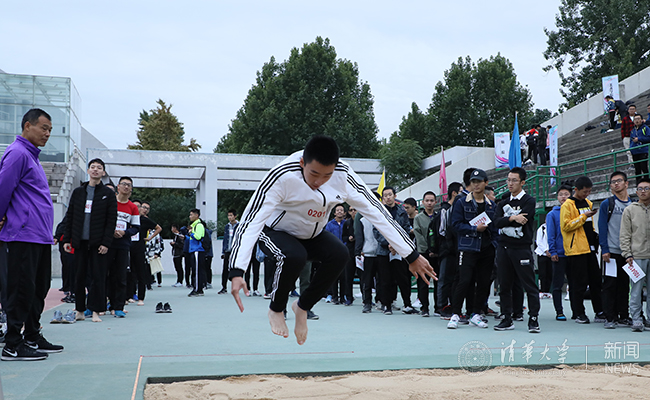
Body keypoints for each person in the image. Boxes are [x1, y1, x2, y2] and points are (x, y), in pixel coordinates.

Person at [228, 135, 434, 345]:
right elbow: (250, 221)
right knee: (295, 256)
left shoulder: (343, 175)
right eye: (314, 174)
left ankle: (302, 306)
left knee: (340, 254)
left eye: (327, 175)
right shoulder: (282, 176)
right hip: (276, 231)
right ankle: (276, 308)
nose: (319, 182)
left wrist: (411, 255)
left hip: (312, 234)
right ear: (302, 163)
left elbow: (376, 211)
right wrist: (237, 269)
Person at [0, 109, 63, 361]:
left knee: (38, 288)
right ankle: (12, 344)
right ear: (28, 126)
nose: (47, 134)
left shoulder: (31, 156)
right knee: (21, 289)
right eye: (43, 128)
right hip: (21, 235)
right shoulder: (17, 153)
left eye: (50, 130)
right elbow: (3, 188)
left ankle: (32, 335)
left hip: (39, 235)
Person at [63, 159, 117, 323]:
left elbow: (111, 221)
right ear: (88, 171)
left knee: (97, 277)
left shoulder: (108, 194)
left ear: (103, 173)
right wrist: (67, 239)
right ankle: (80, 310)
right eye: (92, 167)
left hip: (98, 243)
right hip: (80, 242)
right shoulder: (78, 192)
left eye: (99, 168)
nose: (95, 170)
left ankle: (95, 311)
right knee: (79, 276)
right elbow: (70, 216)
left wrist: (106, 243)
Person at [448, 169, 498, 330]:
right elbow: (455, 225)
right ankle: (455, 314)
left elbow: (495, 228)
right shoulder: (462, 202)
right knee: (464, 281)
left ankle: (476, 313)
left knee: (483, 282)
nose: (475, 185)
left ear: (486, 183)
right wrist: (474, 228)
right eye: (473, 182)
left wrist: (494, 244)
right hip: (468, 247)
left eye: (479, 182)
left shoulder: (492, 205)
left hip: (487, 249)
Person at [493, 167, 541, 333]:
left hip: (521, 248)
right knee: (504, 285)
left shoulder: (529, 201)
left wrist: (506, 220)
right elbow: (496, 222)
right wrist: (513, 217)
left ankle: (533, 319)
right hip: (503, 248)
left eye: (514, 180)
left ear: (522, 182)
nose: (510, 183)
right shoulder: (502, 203)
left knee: (529, 284)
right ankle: (507, 318)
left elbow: (524, 220)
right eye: (508, 180)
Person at [560, 176, 604, 324]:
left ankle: (599, 311)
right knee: (578, 283)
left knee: (596, 281)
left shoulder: (589, 203)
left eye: (589, 191)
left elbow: (590, 226)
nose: (587, 194)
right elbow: (566, 226)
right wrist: (583, 216)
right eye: (585, 191)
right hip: (576, 250)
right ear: (576, 190)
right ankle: (579, 312)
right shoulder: (567, 205)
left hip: (590, 248)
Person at [597, 172, 633, 328]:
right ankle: (609, 317)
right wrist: (605, 249)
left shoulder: (633, 205)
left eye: (619, 181)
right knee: (610, 285)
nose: (616, 184)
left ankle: (623, 315)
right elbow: (602, 227)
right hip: (611, 252)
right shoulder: (607, 204)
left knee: (624, 285)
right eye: (613, 182)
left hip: (628, 253)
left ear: (626, 183)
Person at [374, 187, 418, 315]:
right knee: (385, 279)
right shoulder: (379, 212)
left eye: (390, 194)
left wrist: (397, 245)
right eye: (385, 195)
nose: (388, 197)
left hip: (399, 251)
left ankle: (407, 304)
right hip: (384, 251)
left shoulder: (402, 212)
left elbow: (406, 229)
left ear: (395, 196)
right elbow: (376, 231)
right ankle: (386, 305)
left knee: (403, 278)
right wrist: (388, 244)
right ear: (383, 198)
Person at [620, 177, 650, 332]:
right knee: (636, 290)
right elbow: (625, 234)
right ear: (636, 192)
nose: (643, 191)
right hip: (636, 256)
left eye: (646, 188)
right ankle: (636, 319)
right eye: (640, 189)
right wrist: (627, 254)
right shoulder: (630, 210)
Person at [107, 177, 139, 317]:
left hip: (123, 245)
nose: (126, 187)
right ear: (118, 187)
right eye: (124, 184)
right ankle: (104, 303)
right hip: (107, 244)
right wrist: (111, 231)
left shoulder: (133, 207)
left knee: (121, 276)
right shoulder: (110, 203)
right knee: (105, 274)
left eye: (129, 185)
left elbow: (136, 227)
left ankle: (118, 306)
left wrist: (124, 232)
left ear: (131, 189)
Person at [437, 182, 463, 319]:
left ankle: (453, 306)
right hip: (447, 249)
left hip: (456, 249)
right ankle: (441, 306)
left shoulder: (458, 209)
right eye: (461, 191)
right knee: (444, 279)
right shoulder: (445, 210)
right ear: (454, 193)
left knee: (454, 279)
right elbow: (442, 231)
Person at [547, 185, 572, 321]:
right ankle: (559, 311)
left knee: (575, 284)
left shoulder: (574, 211)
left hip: (573, 253)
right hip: (559, 254)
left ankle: (577, 311)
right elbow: (551, 234)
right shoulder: (552, 214)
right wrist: (553, 251)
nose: (563, 197)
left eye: (566, 194)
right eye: (561, 194)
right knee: (557, 284)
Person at [130, 199, 162, 305]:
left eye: (139, 206)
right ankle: (129, 295)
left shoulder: (144, 220)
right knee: (128, 273)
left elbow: (158, 228)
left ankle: (141, 298)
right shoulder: (128, 218)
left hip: (139, 249)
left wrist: (149, 238)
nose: (137, 208)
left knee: (140, 273)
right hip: (127, 248)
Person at [413, 191, 439, 317]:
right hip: (423, 254)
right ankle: (424, 307)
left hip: (437, 254)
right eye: (427, 201)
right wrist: (428, 250)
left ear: (435, 202)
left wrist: (436, 250)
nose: (429, 203)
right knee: (423, 282)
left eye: (431, 200)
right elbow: (419, 237)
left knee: (438, 281)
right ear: (423, 202)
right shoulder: (418, 218)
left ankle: (438, 307)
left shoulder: (438, 216)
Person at [187, 208, 207, 297]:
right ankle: (198, 289)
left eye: (191, 215)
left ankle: (197, 290)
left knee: (197, 270)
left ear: (196, 215)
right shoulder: (194, 225)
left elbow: (198, 237)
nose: (190, 216)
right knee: (196, 270)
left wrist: (191, 233)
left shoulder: (199, 225)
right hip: (194, 250)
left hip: (198, 251)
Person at [220, 209, 239, 294]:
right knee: (225, 269)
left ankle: (236, 287)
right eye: (228, 216)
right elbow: (225, 239)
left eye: (231, 215)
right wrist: (223, 251)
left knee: (235, 269)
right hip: (227, 250)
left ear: (235, 216)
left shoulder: (239, 226)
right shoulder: (227, 226)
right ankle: (224, 287)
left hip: (235, 251)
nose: (229, 217)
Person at [630, 114, 650, 184]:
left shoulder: (645, 128)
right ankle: (638, 184)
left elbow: (649, 138)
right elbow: (631, 140)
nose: (637, 121)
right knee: (637, 169)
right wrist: (631, 148)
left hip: (643, 150)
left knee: (644, 167)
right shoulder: (633, 130)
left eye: (638, 119)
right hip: (635, 151)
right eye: (635, 119)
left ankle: (647, 182)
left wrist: (639, 139)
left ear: (641, 120)